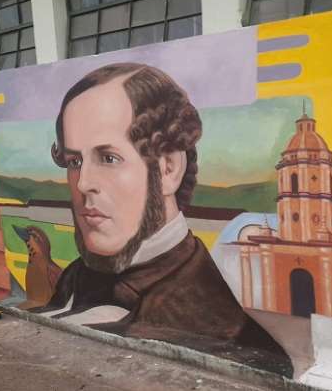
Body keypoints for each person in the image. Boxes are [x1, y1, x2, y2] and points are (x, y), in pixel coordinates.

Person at [33, 63, 293, 377]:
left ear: (168, 169)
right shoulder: (79, 274)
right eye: (74, 161)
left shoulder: (232, 342)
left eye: (109, 158)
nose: (83, 182)